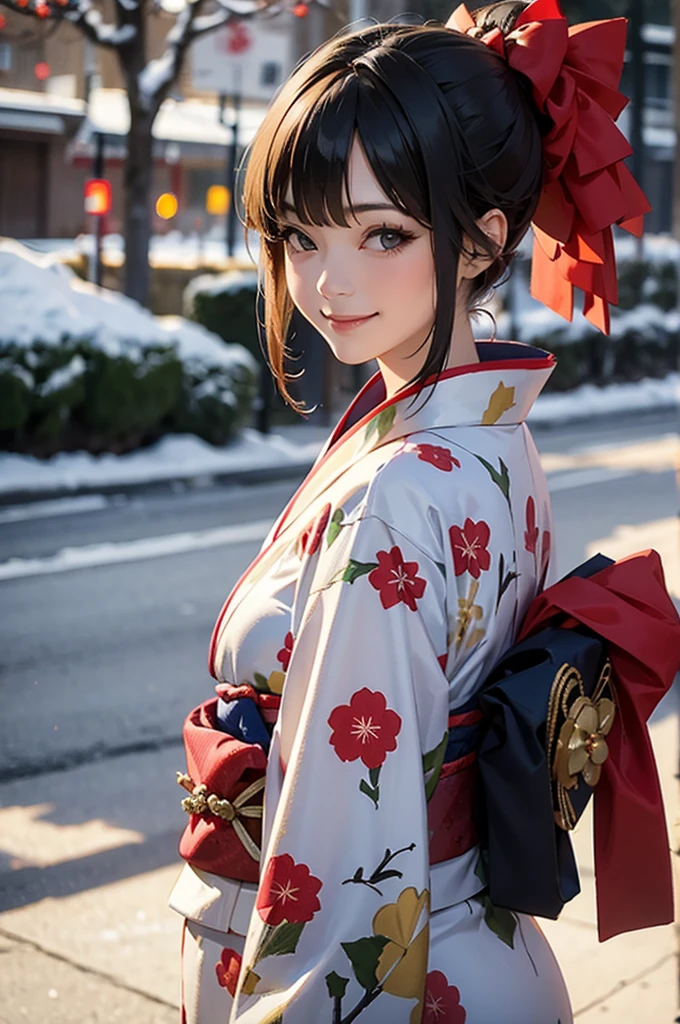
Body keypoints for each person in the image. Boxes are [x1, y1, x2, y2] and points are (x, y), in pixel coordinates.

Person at [169, 2, 658, 1021]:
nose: (325, 281)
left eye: (381, 232)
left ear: (482, 242)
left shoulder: (395, 493)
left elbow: (345, 864)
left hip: (387, 962)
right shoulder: (492, 436)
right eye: (300, 234)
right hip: (471, 937)